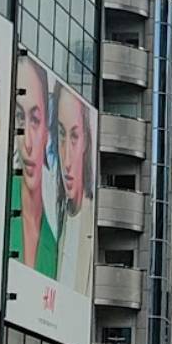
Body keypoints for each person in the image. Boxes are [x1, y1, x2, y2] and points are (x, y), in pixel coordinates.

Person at [11, 58, 61, 276]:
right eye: (21, 118)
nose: (28, 142)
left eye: (36, 120)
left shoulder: (53, 242)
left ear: (48, 131)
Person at [53, 84, 93, 287]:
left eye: (75, 136)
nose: (66, 159)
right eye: (61, 134)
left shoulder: (93, 223)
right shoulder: (55, 214)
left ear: (86, 141)